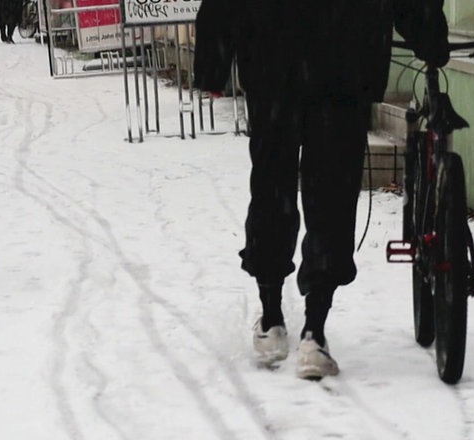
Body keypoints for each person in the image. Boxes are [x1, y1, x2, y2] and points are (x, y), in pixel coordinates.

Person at [193, 0, 450, 379]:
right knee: (331, 194)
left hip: (271, 61)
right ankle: (314, 331)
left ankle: (271, 319)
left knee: (271, 184)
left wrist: (213, 65)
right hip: (344, 63)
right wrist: (431, 40)